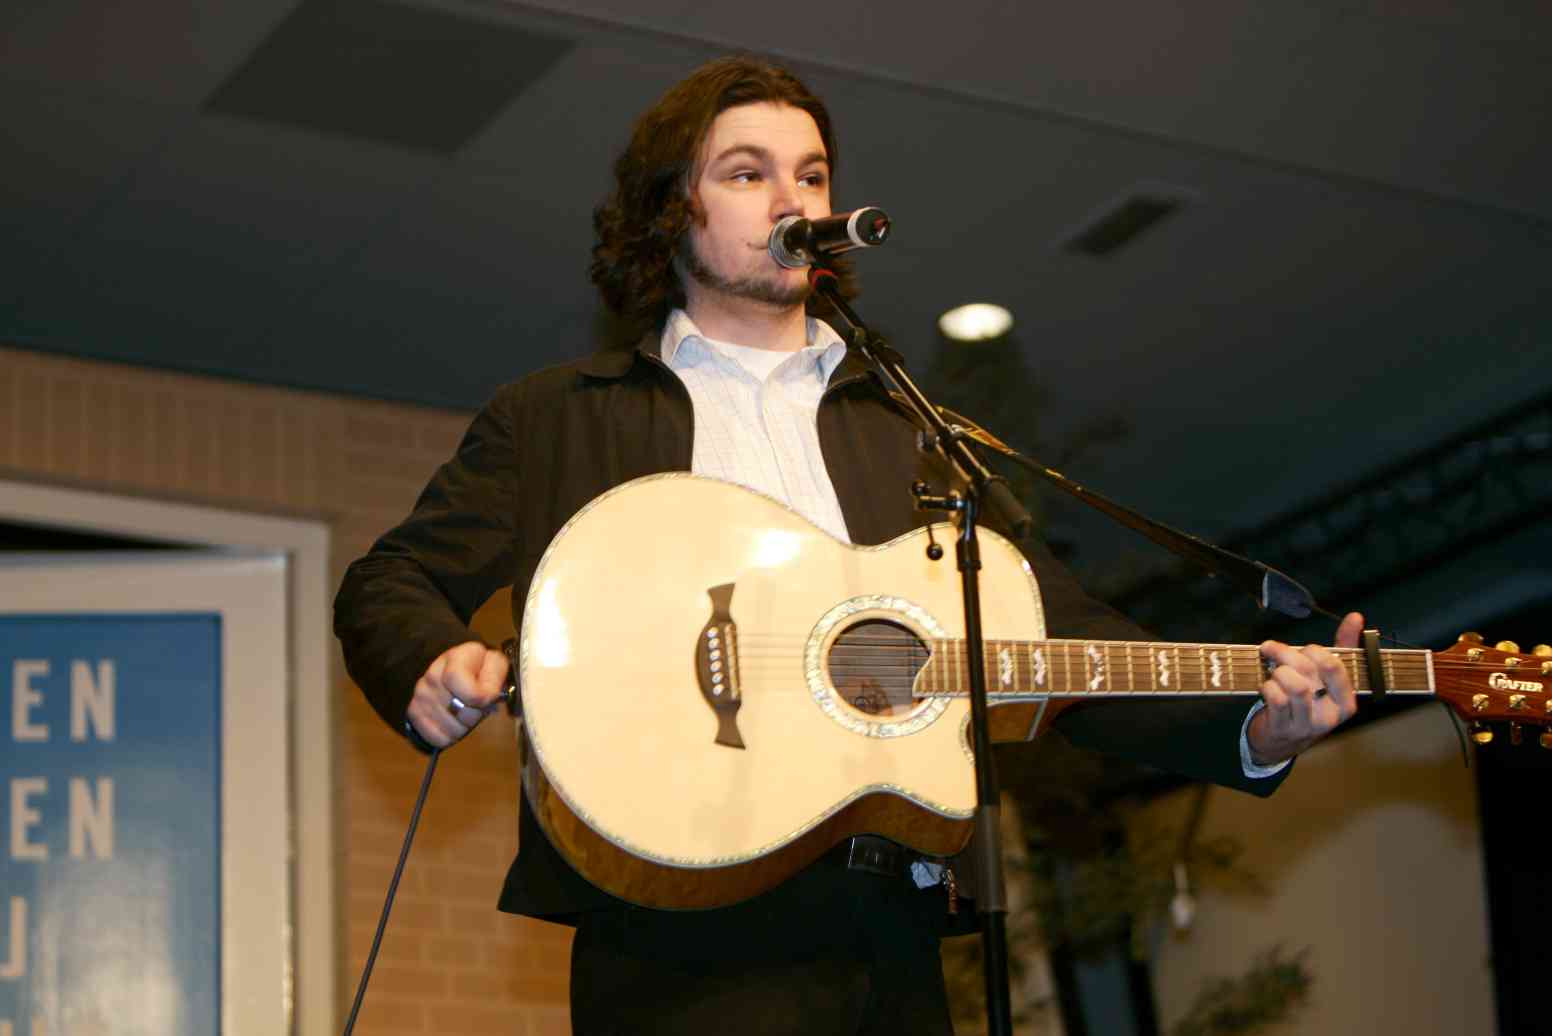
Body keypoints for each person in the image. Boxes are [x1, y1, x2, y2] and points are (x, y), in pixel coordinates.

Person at [334, 55, 1360, 1035]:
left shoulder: (911, 430)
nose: (792, 197)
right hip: (674, 937)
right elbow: (393, 577)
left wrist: (1255, 729)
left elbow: (1063, 645)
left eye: (811, 175)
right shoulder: (563, 418)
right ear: (668, 209)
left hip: (892, 927)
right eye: (747, 172)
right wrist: (429, 658)